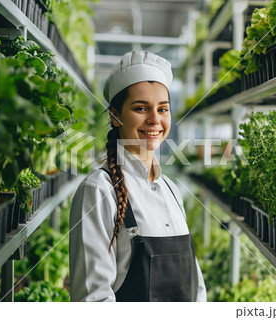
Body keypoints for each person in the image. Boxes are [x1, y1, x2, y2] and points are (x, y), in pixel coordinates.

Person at [69, 50, 206, 302]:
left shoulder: (171, 190)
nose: (155, 119)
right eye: (141, 108)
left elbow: (196, 289)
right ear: (115, 115)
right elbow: (93, 299)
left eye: (163, 109)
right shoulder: (98, 190)